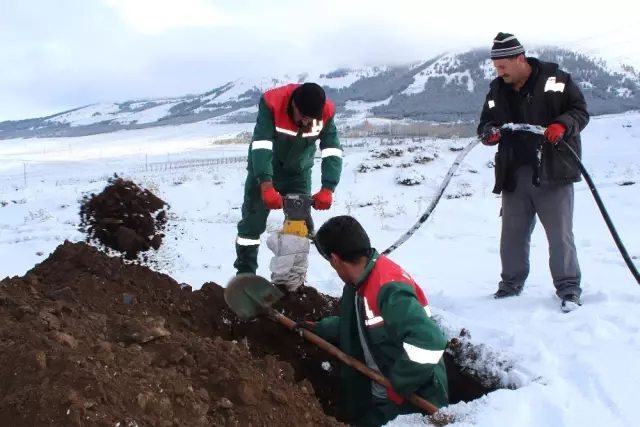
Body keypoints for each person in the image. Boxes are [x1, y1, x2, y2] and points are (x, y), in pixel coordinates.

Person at [295, 215, 449, 427]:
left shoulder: (389, 290)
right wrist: (320, 329)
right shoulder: (357, 284)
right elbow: (357, 327)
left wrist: (398, 385)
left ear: (335, 259)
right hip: (377, 392)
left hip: (410, 401)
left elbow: (429, 343)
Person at [477, 32, 590, 312]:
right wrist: (489, 133)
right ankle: (510, 285)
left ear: (519, 59)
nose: (498, 72)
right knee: (512, 235)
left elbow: (580, 111)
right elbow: (485, 122)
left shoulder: (556, 80)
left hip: (553, 171)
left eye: (503, 66)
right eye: (496, 67)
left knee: (559, 235)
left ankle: (568, 290)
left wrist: (562, 125)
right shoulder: (496, 90)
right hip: (514, 174)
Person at [234, 82, 343, 275]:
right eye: (303, 117)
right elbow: (262, 145)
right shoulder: (272, 103)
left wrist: (328, 187)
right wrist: (266, 184)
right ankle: (245, 274)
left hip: (298, 173)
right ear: (294, 105)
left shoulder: (326, 112)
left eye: (312, 119)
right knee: (251, 226)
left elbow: (332, 150)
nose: (307, 123)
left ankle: (290, 279)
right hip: (265, 169)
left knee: (298, 228)